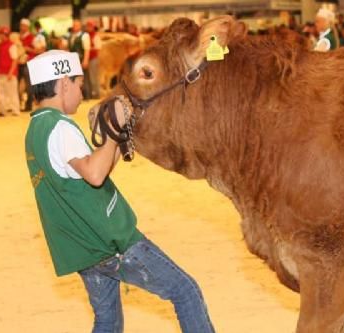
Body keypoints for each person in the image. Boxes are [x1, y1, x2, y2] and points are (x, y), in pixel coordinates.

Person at [24, 50, 215, 333]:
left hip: (84, 249)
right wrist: (112, 133)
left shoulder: (36, 128)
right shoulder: (60, 127)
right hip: (111, 243)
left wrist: (121, 136)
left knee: (108, 321)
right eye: (78, 84)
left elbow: (89, 170)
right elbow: (95, 174)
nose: (81, 90)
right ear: (63, 83)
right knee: (185, 292)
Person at [0, 26, 20, 116]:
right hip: (0, 72)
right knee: (1, 93)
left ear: (4, 34)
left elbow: (15, 60)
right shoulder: (1, 45)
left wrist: (11, 72)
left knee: (12, 93)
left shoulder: (12, 45)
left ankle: (15, 110)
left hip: (9, 73)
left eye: (0, 34)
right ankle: (3, 110)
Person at [68, 19, 91, 99]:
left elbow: (87, 49)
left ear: (80, 26)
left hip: (81, 59)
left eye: (76, 25)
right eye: (74, 25)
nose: (75, 27)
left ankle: (87, 96)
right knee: (75, 79)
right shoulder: (71, 36)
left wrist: (85, 60)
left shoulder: (85, 35)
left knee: (84, 79)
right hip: (73, 60)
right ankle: (78, 96)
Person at [85, 19, 101, 99]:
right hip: (87, 59)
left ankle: (97, 94)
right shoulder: (85, 35)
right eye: (87, 26)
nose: (88, 27)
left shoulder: (95, 35)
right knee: (88, 78)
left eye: (90, 26)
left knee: (94, 77)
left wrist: (88, 48)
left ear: (93, 27)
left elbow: (98, 47)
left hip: (93, 58)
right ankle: (91, 94)